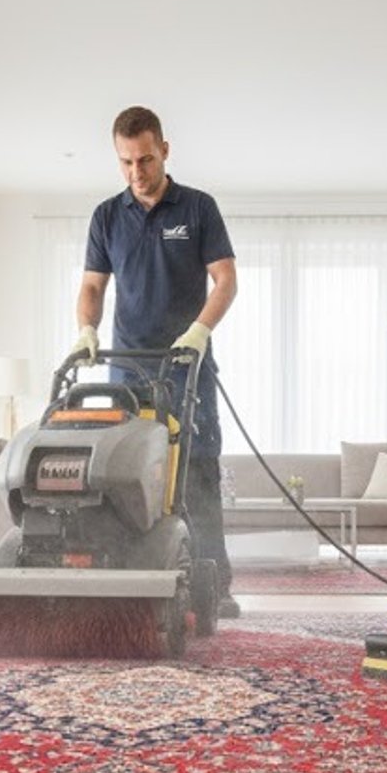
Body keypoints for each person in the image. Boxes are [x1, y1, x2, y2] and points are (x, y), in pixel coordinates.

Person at [75, 106, 240, 617]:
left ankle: (215, 584)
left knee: (198, 468)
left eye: (145, 159)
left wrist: (198, 331)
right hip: (127, 366)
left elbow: (226, 280)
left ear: (164, 150)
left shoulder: (197, 208)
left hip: (186, 364)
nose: (136, 173)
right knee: (125, 471)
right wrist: (87, 329)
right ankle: (131, 575)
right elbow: (91, 285)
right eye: (125, 162)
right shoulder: (107, 216)